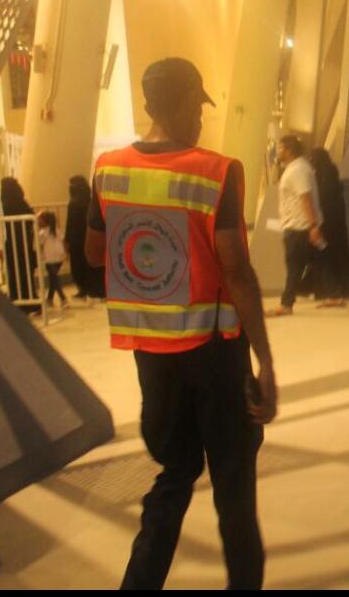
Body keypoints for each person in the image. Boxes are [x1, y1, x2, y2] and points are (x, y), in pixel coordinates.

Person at [84, 57, 277, 590]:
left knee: (174, 476)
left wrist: (153, 253)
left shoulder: (110, 169)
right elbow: (237, 272)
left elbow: (97, 253)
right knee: (234, 495)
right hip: (216, 357)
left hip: (154, 362)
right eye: (200, 106)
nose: (201, 119)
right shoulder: (216, 172)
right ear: (190, 102)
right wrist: (265, 363)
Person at [265, 134, 325, 317]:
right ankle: (333, 294)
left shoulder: (297, 170)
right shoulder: (297, 168)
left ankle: (286, 303)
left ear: (289, 150)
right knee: (318, 261)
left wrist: (313, 225)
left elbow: (305, 197)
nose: (279, 151)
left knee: (294, 265)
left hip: (299, 227)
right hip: (300, 224)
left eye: (281, 148)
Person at [310, 148, 349, 307]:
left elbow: (321, 199)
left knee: (325, 257)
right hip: (338, 226)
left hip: (326, 224)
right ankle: (347, 288)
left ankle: (328, 290)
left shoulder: (320, 176)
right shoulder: (332, 173)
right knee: (342, 256)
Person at [0, 177, 40, 313]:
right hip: (25, 243)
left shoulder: (3, 205)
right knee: (26, 272)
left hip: (11, 244)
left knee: (14, 272)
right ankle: (31, 299)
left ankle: (17, 300)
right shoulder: (22, 203)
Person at [66, 175, 106, 300]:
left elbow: (70, 224)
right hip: (89, 237)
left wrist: (67, 240)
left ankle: (82, 289)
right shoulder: (90, 201)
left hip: (76, 240)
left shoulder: (73, 203)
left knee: (78, 266)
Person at [38, 210, 69, 310]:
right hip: (59, 257)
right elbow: (63, 242)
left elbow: (38, 245)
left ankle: (63, 298)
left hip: (49, 258)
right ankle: (49, 299)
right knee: (53, 278)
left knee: (54, 279)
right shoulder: (57, 230)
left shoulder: (42, 233)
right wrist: (66, 254)